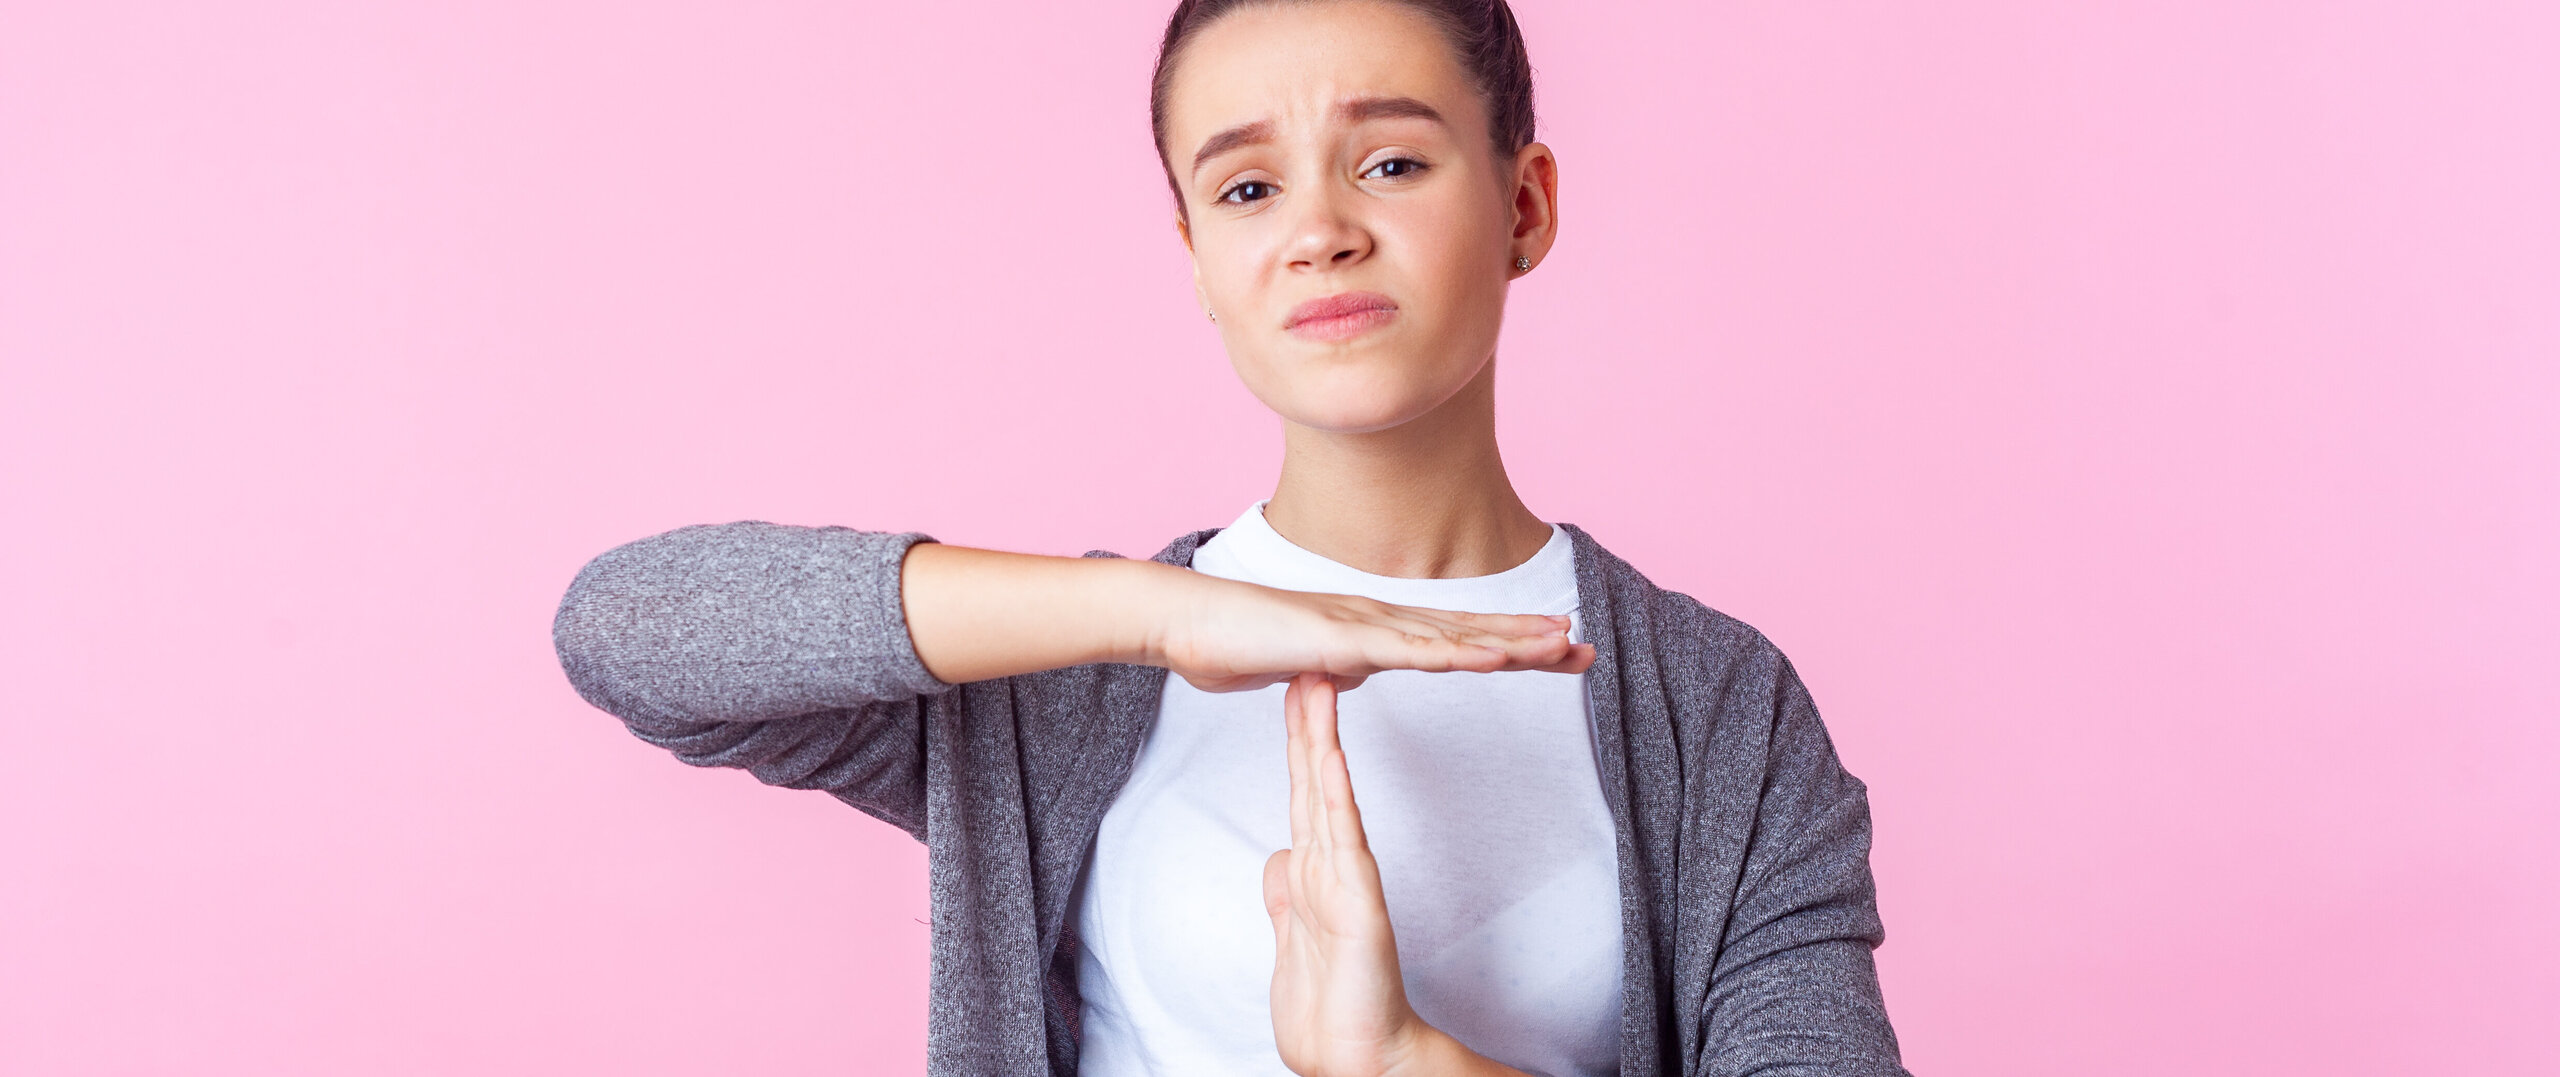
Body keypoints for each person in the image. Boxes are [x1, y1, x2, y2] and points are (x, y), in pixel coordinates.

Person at [550, 1, 1909, 1074]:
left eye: (1389, 161)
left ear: (1524, 206)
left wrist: (1406, 1065)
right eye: (1248, 191)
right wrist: (1166, 615)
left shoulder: (1718, 711)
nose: (1320, 231)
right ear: (1197, 258)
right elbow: (627, 630)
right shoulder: (1069, 676)